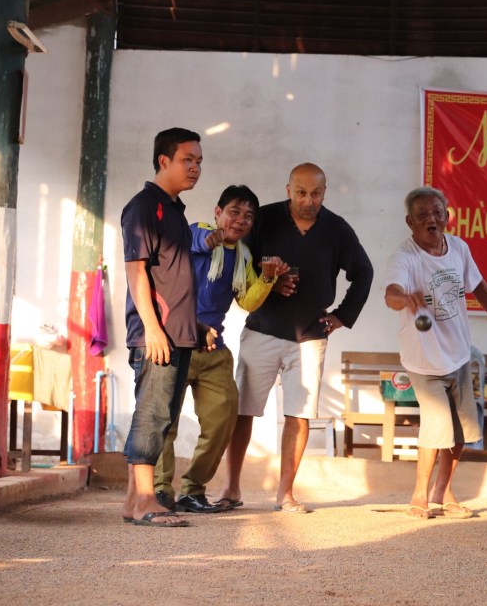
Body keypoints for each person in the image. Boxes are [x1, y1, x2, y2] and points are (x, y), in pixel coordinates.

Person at [217, 163, 374, 513]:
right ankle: (231, 487)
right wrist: (270, 283)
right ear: (289, 190)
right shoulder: (265, 219)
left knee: (299, 414)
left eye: (316, 193)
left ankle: (285, 494)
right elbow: (242, 263)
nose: (308, 200)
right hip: (261, 329)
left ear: (324, 192)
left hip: (310, 337)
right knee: (242, 411)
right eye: (301, 193)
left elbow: (364, 272)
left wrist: (342, 316)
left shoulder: (337, 228)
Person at [153, 185, 287, 513]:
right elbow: (198, 241)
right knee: (164, 421)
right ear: (218, 213)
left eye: (248, 217)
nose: (240, 220)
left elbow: (247, 301)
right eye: (234, 212)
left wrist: (268, 278)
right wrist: (213, 239)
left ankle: (192, 491)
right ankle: (160, 490)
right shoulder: (196, 232)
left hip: (214, 350)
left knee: (224, 419)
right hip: (174, 344)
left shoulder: (242, 256)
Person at [383, 186, 487, 520]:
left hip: (458, 355)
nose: (432, 219)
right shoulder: (405, 257)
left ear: (447, 216)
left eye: (437, 213)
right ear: (410, 222)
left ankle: (442, 492)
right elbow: (391, 294)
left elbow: (479, 286)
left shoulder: (458, 248)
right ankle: (418, 496)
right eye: (423, 215)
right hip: (424, 360)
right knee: (437, 425)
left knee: (461, 431)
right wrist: (406, 299)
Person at [119, 127, 204, 529]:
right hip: (157, 334)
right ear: (163, 161)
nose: (195, 167)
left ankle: (132, 502)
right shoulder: (144, 207)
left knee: (163, 418)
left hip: (179, 333)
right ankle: (145, 500)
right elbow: (136, 271)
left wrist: (196, 325)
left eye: (199, 161)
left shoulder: (176, 211)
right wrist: (152, 329)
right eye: (188, 160)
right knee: (152, 415)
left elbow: (173, 278)